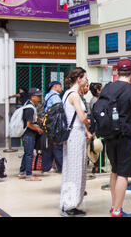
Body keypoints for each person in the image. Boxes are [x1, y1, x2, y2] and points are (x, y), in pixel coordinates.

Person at [102, 59, 131, 217]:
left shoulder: (107, 87)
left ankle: (115, 206)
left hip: (109, 135)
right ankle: (117, 211)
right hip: (125, 135)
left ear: (117, 71)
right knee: (123, 174)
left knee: (114, 170)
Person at [60, 67, 92, 217]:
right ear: (79, 79)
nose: (86, 81)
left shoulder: (66, 94)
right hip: (75, 136)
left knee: (70, 169)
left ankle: (68, 203)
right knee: (76, 170)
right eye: (85, 78)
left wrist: (85, 130)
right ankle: (70, 205)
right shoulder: (75, 95)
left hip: (72, 134)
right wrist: (89, 120)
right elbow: (81, 117)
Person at [18, 88, 44, 181]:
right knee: (29, 154)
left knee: (27, 153)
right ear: (32, 97)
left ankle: (22, 172)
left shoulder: (29, 105)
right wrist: (38, 129)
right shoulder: (30, 108)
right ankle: (29, 175)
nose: (40, 97)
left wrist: (38, 120)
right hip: (28, 134)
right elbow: (28, 124)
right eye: (38, 96)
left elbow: (30, 119)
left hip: (27, 134)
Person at [42, 81, 64, 174]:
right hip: (55, 125)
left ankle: (46, 167)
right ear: (55, 87)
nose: (61, 89)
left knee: (49, 145)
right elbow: (59, 111)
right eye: (60, 86)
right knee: (57, 145)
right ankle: (61, 167)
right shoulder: (55, 97)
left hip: (48, 124)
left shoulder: (47, 95)